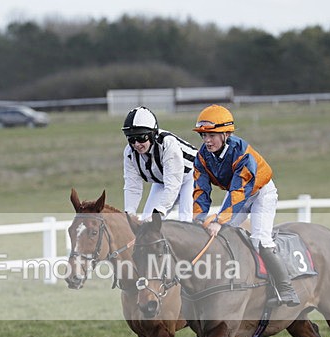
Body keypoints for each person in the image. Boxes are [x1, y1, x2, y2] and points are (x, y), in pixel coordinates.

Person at [191, 104, 300, 306]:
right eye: (203, 136)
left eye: (211, 135)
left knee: (260, 239)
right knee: (223, 235)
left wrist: (219, 219)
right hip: (237, 194)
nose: (206, 141)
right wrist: (197, 219)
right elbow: (201, 191)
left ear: (226, 134)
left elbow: (239, 191)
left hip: (261, 193)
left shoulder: (242, 153)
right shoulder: (201, 158)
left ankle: (286, 289)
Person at [122, 106, 197, 222]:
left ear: (153, 134)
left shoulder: (168, 145)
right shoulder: (129, 153)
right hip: (162, 180)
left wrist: (161, 210)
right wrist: (129, 212)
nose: (136, 144)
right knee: (147, 221)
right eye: (131, 139)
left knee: (185, 221)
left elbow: (173, 184)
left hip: (190, 176)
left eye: (141, 137)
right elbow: (132, 186)